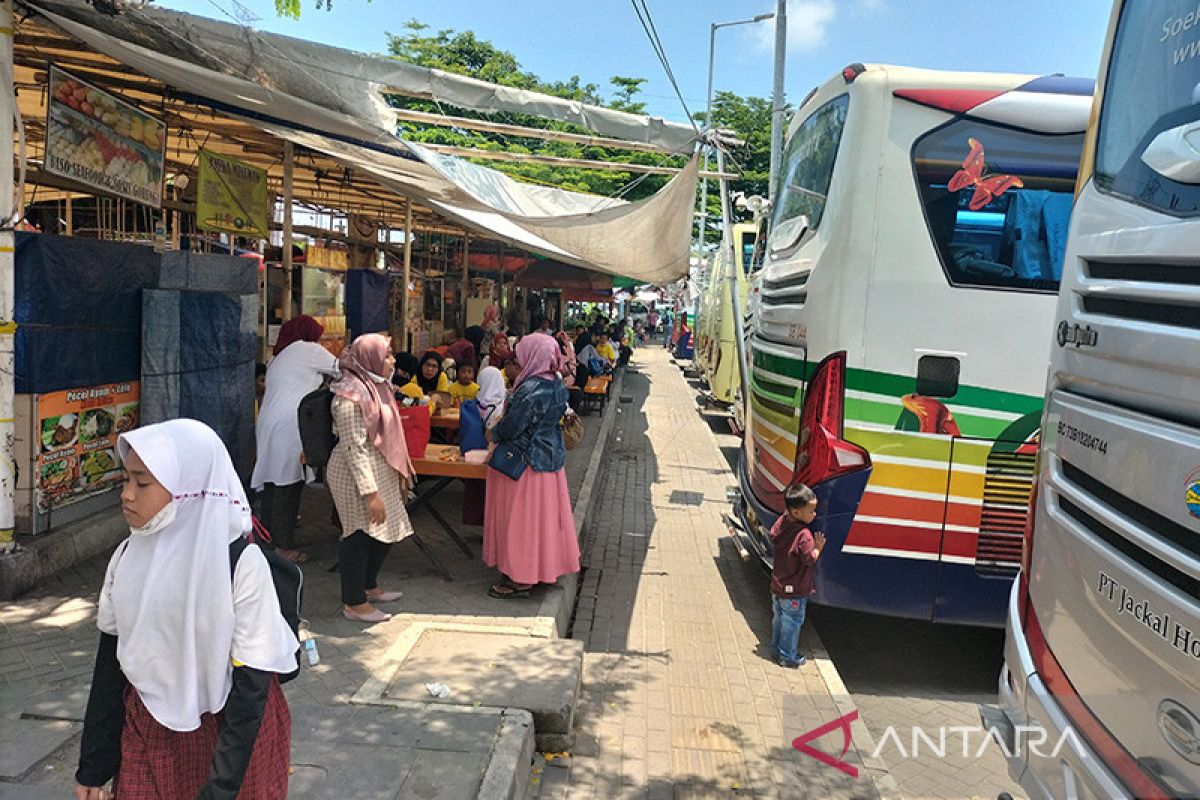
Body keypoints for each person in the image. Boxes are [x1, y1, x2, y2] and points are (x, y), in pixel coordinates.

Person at [75, 419, 298, 800]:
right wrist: (93, 767)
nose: (127, 495)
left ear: (190, 490)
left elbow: (252, 685)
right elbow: (110, 663)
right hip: (150, 729)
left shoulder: (241, 565)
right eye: (125, 480)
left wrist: (221, 787)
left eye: (142, 483)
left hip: (233, 734)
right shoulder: (127, 557)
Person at [484, 334, 580, 597]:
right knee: (544, 520)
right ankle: (542, 568)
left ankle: (521, 579)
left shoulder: (530, 388)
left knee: (522, 522)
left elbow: (514, 426)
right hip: (551, 461)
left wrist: (494, 433)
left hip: (525, 464)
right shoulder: (557, 385)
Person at [327, 334, 415, 624]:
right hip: (355, 475)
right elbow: (355, 448)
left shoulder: (377, 386)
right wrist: (370, 493)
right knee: (358, 535)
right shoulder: (349, 396)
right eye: (387, 356)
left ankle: (368, 585)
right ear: (370, 359)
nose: (392, 361)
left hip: (380, 470)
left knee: (386, 529)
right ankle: (354, 602)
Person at [251, 315, 339, 564]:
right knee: (287, 485)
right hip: (289, 425)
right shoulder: (306, 349)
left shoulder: (279, 356)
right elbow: (344, 368)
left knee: (272, 483)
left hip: (270, 422)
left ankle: (267, 539)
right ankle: (283, 547)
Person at [769, 483, 827, 668]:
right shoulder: (804, 535)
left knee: (778, 618)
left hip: (778, 585)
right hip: (795, 590)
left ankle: (776, 648)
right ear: (796, 512)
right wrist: (818, 548)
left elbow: (773, 533)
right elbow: (809, 559)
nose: (814, 515)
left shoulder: (782, 523)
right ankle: (787, 656)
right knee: (792, 624)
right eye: (811, 511)